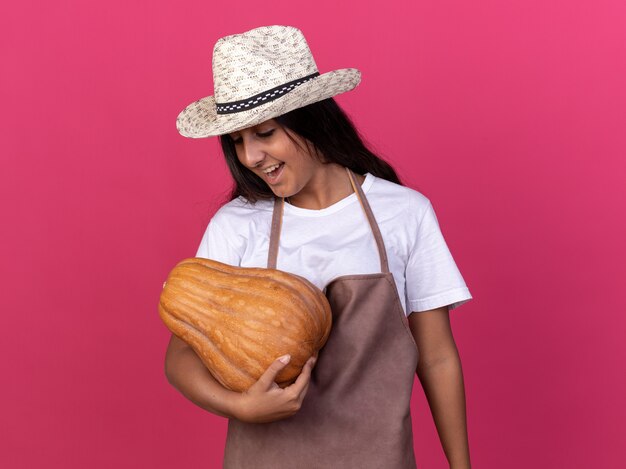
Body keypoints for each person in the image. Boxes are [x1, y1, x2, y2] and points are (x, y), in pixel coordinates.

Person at [165, 25, 473, 469]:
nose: (250, 156)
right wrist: (239, 407)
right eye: (237, 140)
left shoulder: (404, 213)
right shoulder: (237, 225)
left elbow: (438, 357)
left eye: (265, 133)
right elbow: (179, 357)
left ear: (311, 119)